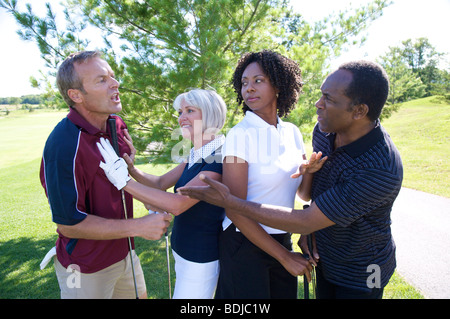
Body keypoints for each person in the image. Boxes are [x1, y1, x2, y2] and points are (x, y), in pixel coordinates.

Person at [178, 60, 403, 299]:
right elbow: (309, 196)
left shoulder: (380, 169)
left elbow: (306, 219)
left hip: (366, 267)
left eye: (258, 80)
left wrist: (228, 202)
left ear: (359, 111)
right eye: (244, 83)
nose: (318, 105)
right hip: (301, 253)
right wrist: (309, 174)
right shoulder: (325, 131)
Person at [39, 50, 171, 299]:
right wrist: (139, 226)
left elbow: (123, 183)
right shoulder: (64, 145)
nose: (115, 83)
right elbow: (69, 224)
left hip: (125, 254)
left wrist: (135, 175)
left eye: (112, 76)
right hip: (84, 267)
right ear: (75, 95)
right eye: (102, 80)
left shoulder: (116, 125)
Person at [97, 89, 227, 299]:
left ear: (210, 115)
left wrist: (124, 182)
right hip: (183, 248)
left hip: (200, 256)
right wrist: (131, 169)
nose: (181, 117)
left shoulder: (218, 157)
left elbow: (177, 204)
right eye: (180, 111)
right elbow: (160, 183)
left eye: (189, 111)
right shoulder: (196, 153)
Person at [214, 50, 317, 299]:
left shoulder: (292, 131)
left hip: (282, 238)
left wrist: (308, 172)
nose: (248, 88)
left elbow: (302, 194)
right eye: (244, 82)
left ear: (279, 85)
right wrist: (284, 257)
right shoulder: (240, 134)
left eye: (258, 80)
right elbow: (234, 209)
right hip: (244, 243)